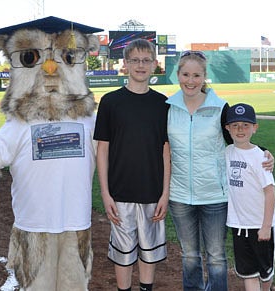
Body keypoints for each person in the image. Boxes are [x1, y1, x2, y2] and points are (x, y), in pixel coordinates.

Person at [166, 50, 274, 291]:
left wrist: (264, 152)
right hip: (180, 195)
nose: (190, 80)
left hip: (215, 195)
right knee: (189, 255)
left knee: (215, 255)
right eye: (185, 74)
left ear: (204, 76)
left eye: (196, 75)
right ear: (178, 74)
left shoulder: (220, 107)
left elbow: (239, 139)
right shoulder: (168, 107)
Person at [93, 38, 171, 291]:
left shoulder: (163, 104)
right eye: (135, 60)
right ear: (125, 64)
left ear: (154, 65)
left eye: (146, 60)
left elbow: (165, 151)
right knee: (123, 252)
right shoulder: (111, 102)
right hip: (120, 191)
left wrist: (164, 194)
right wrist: (105, 193)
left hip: (152, 191)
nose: (140, 65)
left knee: (149, 250)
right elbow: (102, 149)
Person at [225, 103, 275, 291]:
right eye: (235, 125)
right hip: (239, 225)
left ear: (255, 128)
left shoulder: (261, 157)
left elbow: (270, 192)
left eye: (246, 125)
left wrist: (266, 226)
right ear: (227, 128)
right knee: (248, 272)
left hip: (260, 225)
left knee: (265, 272)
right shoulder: (227, 153)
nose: (240, 129)